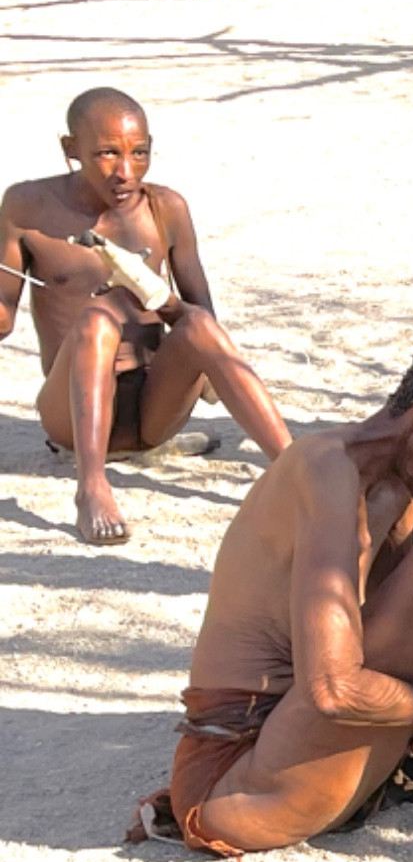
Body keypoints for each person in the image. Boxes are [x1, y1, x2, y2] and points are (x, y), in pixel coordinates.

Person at [131, 338, 413, 857]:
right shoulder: (326, 473)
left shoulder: (395, 485)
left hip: (323, 739)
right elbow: (332, 691)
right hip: (244, 779)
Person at [0, 87, 293, 545]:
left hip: (154, 413)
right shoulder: (25, 208)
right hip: (71, 417)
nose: (125, 171)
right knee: (100, 315)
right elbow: (3, 319)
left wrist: (156, 297)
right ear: (70, 149)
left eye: (140, 153)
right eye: (106, 154)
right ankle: (92, 486)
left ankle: (292, 466)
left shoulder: (166, 208)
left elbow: (203, 321)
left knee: (196, 324)